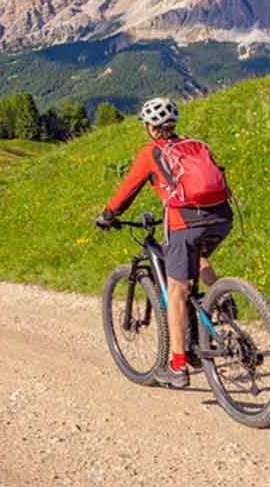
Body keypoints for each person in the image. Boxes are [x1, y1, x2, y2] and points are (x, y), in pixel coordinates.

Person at [94, 97, 233, 388]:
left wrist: (108, 215)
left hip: (184, 221)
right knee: (198, 256)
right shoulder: (196, 145)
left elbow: (127, 190)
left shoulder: (151, 152)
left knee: (177, 290)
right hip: (222, 217)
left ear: (150, 127)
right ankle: (223, 298)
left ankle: (177, 366)